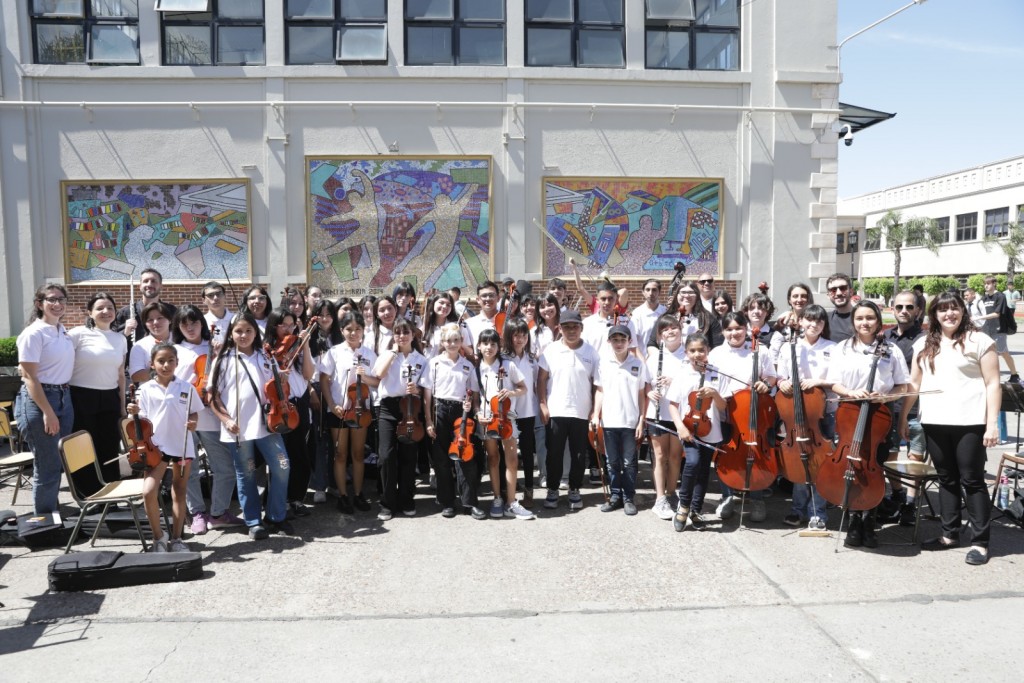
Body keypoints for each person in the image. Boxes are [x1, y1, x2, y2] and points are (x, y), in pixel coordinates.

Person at [901, 291, 1000, 566]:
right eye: (942, 310)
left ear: (963, 310)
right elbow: (914, 383)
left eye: (954, 308)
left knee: (972, 480)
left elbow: (993, 384)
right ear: (934, 315)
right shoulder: (923, 343)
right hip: (934, 421)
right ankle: (949, 534)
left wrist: (991, 425)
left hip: (970, 422)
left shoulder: (980, 340)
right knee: (946, 478)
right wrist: (903, 418)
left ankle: (980, 542)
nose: (949, 314)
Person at [826, 300, 909, 550]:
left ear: (878, 321)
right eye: (860, 318)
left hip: (879, 417)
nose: (865, 323)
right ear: (853, 322)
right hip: (850, 413)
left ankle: (869, 522)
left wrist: (885, 396)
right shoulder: (843, 348)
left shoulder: (890, 349)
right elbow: (834, 383)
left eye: (870, 318)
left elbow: (901, 386)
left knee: (875, 468)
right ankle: (853, 520)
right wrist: (851, 392)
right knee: (850, 466)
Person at [208, 312, 293, 540]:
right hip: (238, 427)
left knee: (282, 466)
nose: (243, 335)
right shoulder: (224, 359)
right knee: (245, 473)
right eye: (238, 331)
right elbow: (212, 397)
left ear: (256, 332)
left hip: (268, 424)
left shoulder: (266, 356)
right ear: (231, 334)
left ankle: (276, 516)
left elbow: (276, 389)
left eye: (248, 330)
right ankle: (253, 521)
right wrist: (225, 419)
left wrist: (282, 380)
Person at [172, 305, 243, 535]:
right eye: (184, 324)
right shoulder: (174, 350)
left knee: (225, 468)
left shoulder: (215, 346)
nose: (190, 327)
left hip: (212, 417)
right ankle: (197, 513)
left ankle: (219, 512)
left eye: (194, 322)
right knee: (189, 472)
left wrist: (221, 352)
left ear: (202, 324)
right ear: (178, 327)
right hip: (186, 418)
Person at [126, 343, 201, 553]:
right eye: (161, 361)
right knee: (149, 491)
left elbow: (194, 412)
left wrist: (193, 422)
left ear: (177, 363)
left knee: (179, 491)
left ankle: (177, 539)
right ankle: (159, 537)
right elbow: (139, 418)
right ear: (152, 364)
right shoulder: (145, 389)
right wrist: (133, 410)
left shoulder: (187, 387)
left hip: (182, 445)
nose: (166, 365)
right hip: (155, 448)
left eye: (170, 360)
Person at [708, 311, 777, 523]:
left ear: (746, 329)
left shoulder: (759, 350)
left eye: (738, 328)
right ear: (723, 331)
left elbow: (772, 377)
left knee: (755, 453)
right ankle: (727, 496)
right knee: (726, 454)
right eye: (729, 329)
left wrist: (765, 384)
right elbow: (710, 381)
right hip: (724, 410)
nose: (734, 333)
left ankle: (756, 497)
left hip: (751, 412)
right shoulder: (716, 354)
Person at [14, 284, 75, 515]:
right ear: (40, 304)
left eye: (62, 299)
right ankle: (45, 520)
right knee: (47, 464)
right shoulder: (33, 333)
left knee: (57, 460)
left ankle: (51, 508)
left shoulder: (61, 330)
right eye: (52, 299)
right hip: (41, 400)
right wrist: (48, 412)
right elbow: (30, 377)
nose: (58, 304)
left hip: (63, 397)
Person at [775, 304, 836, 528]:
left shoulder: (832, 347)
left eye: (819, 321)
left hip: (822, 414)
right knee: (800, 462)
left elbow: (838, 380)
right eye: (809, 320)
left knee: (820, 463)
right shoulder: (789, 347)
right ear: (800, 322)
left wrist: (818, 382)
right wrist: (784, 383)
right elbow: (779, 377)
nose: (814, 324)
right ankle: (797, 509)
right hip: (795, 414)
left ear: (823, 325)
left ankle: (817, 512)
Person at [538, 309, 600, 511]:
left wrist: (594, 411)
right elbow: (541, 380)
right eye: (567, 327)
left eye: (575, 326)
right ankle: (553, 490)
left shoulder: (591, 352)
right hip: (556, 410)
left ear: (581, 328)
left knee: (579, 455)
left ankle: (574, 488)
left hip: (581, 412)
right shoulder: (551, 350)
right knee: (554, 454)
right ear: (560, 328)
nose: (571, 330)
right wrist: (543, 404)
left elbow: (595, 384)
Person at [319, 310, 379, 514]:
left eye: (358, 329)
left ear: (363, 330)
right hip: (339, 410)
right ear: (342, 330)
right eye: (349, 329)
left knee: (358, 453)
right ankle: (343, 496)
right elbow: (324, 380)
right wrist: (331, 404)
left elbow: (377, 382)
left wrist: (366, 377)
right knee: (340, 454)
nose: (353, 333)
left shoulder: (370, 354)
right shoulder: (334, 352)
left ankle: (359, 493)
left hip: (361, 410)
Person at [421, 323, 483, 519]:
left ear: (461, 342)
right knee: (441, 460)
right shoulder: (435, 363)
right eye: (449, 340)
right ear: (442, 342)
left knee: (465, 457)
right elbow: (427, 395)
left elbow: (473, 394)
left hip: (460, 413)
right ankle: (447, 501)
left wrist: (473, 409)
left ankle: (469, 502)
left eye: (456, 340)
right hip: (440, 409)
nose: (453, 343)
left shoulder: (467, 365)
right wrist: (429, 420)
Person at [667, 332, 727, 531]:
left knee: (703, 470)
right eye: (692, 351)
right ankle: (683, 506)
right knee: (692, 462)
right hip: (689, 428)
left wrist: (715, 394)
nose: (697, 354)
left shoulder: (717, 373)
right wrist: (680, 427)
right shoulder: (682, 374)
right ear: (686, 353)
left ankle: (696, 509)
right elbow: (673, 405)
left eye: (701, 350)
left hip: (711, 429)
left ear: (708, 351)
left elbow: (723, 406)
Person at [877, 291, 926, 526]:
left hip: (917, 408)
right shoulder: (884, 337)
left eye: (909, 307)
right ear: (892, 310)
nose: (903, 311)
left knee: (915, 458)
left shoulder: (926, 339)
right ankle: (897, 495)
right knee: (892, 456)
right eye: (899, 307)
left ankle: (911, 502)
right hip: (889, 407)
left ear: (917, 310)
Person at [68, 292, 127, 483]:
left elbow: (120, 375)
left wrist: (122, 406)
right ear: (89, 312)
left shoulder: (121, 339)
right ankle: (88, 494)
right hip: (81, 397)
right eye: (100, 308)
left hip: (110, 397)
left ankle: (112, 491)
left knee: (109, 446)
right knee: (83, 447)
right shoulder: (77, 334)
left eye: (110, 308)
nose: (106, 311)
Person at [372, 318, 427, 520]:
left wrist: (418, 389)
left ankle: (406, 499)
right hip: (388, 408)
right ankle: (387, 502)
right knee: (386, 456)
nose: (401, 336)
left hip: (411, 407)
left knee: (408, 456)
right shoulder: (387, 355)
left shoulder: (421, 359)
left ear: (413, 335)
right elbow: (378, 374)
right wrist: (394, 353)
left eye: (405, 332)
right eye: (397, 332)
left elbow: (426, 388)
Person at [476, 329, 533, 520]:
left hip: (507, 417)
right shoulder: (476, 368)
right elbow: (476, 397)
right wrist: (477, 413)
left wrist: (510, 393)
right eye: (485, 343)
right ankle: (497, 498)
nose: (489, 347)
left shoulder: (508, 365)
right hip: (487, 418)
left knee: (512, 460)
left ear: (498, 346)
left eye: (493, 344)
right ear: (479, 346)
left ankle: (511, 501)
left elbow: (523, 388)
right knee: (492, 458)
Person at [593, 325, 649, 516]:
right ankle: (615, 495)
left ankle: (628, 498)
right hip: (609, 421)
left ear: (629, 342)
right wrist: (595, 414)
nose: (618, 343)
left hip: (630, 422)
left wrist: (642, 420)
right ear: (609, 342)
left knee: (629, 463)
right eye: (615, 340)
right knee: (612, 462)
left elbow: (642, 394)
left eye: (622, 340)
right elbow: (600, 391)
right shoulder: (603, 364)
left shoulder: (638, 364)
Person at [265, 307, 316, 518]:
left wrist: (304, 346)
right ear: (274, 326)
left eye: (291, 325)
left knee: (300, 454)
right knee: (281, 458)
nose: (288, 329)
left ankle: (296, 498)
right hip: (279, 405)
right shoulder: (266, 350)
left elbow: (308, 373)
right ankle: (279, 500)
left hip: (299, 403)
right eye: (283, 325)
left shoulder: (297, 345)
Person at [644, 314, 688, 520]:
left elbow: (692, 383)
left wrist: (674, 381)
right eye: (665, 330)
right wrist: (649, 392)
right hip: (657, 412)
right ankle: (660, 498)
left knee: (675, 456)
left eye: (674, 328)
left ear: (680, 330)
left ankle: (672, 494)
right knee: (660, 456)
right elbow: (646, 383)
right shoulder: (654, 358)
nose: (670, 332)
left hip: (678, 413)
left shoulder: (688, 356)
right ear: (660, 336)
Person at [308, 299, 342, 503]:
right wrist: (311, 390)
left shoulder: (340, 337)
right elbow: (302, 370)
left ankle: (334, 482)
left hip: (337, 391)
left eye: (329, 314)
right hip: (317, 390)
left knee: (336, 441)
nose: (325, 318)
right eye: (321, 314)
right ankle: (319, 484)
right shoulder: (309, 338)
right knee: (319, 440)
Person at [504, 318, 540, 506]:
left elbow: (535, 385)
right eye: (516, 335)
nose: (520, 339)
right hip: (506, 412)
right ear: (509, 336)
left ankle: (529, 490)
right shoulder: (503, 358)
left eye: (524, 335)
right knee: (507, 452)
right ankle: (507, 488)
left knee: (527, 451)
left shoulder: (532, 359)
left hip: (527, 411)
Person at [113, 268, 177, 343]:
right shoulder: (125, 313)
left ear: (161, 286)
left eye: (153, 281)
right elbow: (113, 342)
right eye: (145, 281)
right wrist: (124, 332)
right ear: (139, 286)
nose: (149, 284)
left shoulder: (172, 311)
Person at [977, 275, 1019, 383]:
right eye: (985, 284)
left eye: (988, 283)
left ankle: (1014, 374)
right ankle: (990, 377)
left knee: (1003, 353)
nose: (986, 285)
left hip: (998, 329)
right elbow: (979, 311)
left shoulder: (1000, 296)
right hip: (986, 330)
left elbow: (997, 314)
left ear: (994, 284)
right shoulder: (984, 298)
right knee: (986, 354)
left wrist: (979, 317)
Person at [582, 281, 637, 358]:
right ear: (597, 300)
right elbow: (583, 350)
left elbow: (632, 350)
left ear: (616, 299)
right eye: (603, 299)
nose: (607, 302)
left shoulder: (626, 322)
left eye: (611, 298)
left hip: (619, 368)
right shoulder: (587, 323)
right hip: (594, 368)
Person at [128, 302, 175, 384]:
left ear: (170, 320)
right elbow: (135, 375)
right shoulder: (139, 346)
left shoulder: (181, 341)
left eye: (160, 318)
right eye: (150, 320)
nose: (155, 322)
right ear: (145, 324)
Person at [770, 283, 813, 364]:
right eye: (795, 296)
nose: (799, 300)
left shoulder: (814, 320)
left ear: (808, 299)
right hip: (785, 364)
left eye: (803, 296)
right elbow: (775, 347)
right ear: (789, 300)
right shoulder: (783, 318)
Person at [630, 279, 667, 355]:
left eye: (654, 290)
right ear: (643, 292)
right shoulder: (637, 313)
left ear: (659, 292)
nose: (651, 293)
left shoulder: (665, 312)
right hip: (643, 359)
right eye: (648, 290)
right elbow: (633, 342)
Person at [465, 280, 500, 352]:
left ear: (498, 298)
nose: (488, 299)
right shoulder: (468, 324)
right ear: (478, 299)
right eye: (484, 296)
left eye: (491, 295)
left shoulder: (508, 321)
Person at [825, 272, 855, 343]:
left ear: (851, 292)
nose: (838, 293)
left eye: (843, 288)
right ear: (828, 295)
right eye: (833, 290)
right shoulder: (825, 319)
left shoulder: (862, 318)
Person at [200, 281, 233, 345]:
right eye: (210, 295)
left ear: (225, 296)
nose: (215, 298)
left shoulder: (236, 319)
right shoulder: (201, 322)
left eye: (218, 294)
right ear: (203, 300)